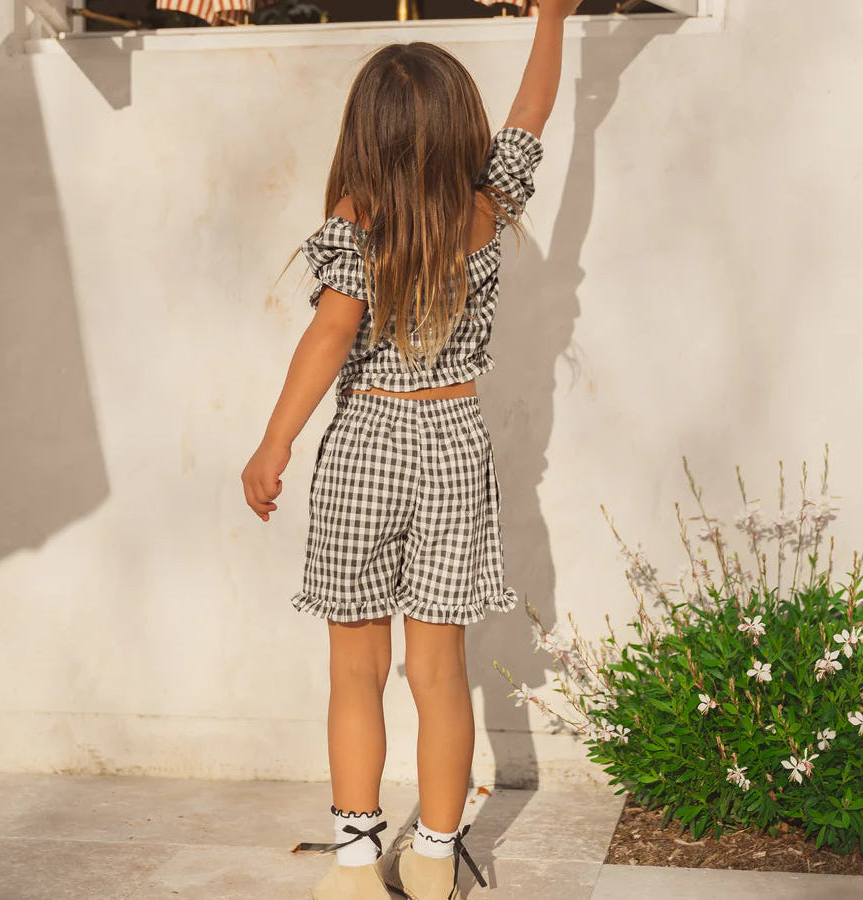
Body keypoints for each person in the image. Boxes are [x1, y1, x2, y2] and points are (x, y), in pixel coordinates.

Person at [241, 3, 579, 897]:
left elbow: (328, 336)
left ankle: (355, 864)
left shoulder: (360, 215)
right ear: (457, 125)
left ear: (367, 135)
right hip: (454, 446)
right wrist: (552, 17)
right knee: (439, 673)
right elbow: (532, 116)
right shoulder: (486, 205)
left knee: (356, 669)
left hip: (365, 443)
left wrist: (274, 442)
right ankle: (432, 857)